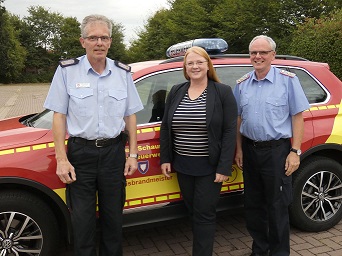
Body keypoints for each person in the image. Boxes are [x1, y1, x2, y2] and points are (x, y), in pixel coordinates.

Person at [43, 14, 143, 256]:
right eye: (93, 37)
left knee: (113, 222)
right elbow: (59, 116)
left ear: (110, 41)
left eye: (104, 37)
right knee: (82, 224)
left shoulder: (122, 73)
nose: (99, 42)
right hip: (81, 155)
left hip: (113, 155)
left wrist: (132, 154)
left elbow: (130, 116)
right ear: (82, 41)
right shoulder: (67, 71)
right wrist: (61, 159)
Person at [233, 35, 310, 256]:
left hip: (277, 152)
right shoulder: (242, 84)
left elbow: (297, 117)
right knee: (253, 206)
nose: (258, 56)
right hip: (250, 150)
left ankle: (278, 253)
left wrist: (295, 151)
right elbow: (238, 119)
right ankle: (260, 250)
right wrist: (239, 149)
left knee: (277, 207)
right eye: (253, 53)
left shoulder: (288, 80)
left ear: (272, 55)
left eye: (263, 52)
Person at [160, 46, 237, 256]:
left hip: (209, 167)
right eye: (190, 63)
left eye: (199, 62)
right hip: (183, 165)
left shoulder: (222, 92)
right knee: (194, 212)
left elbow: (230, 131)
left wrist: (224, 166)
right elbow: (166, 126)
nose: (195, 66)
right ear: (185, 67)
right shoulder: (176, 90)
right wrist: (165, 158)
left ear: (207, 65)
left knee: (204, 214)